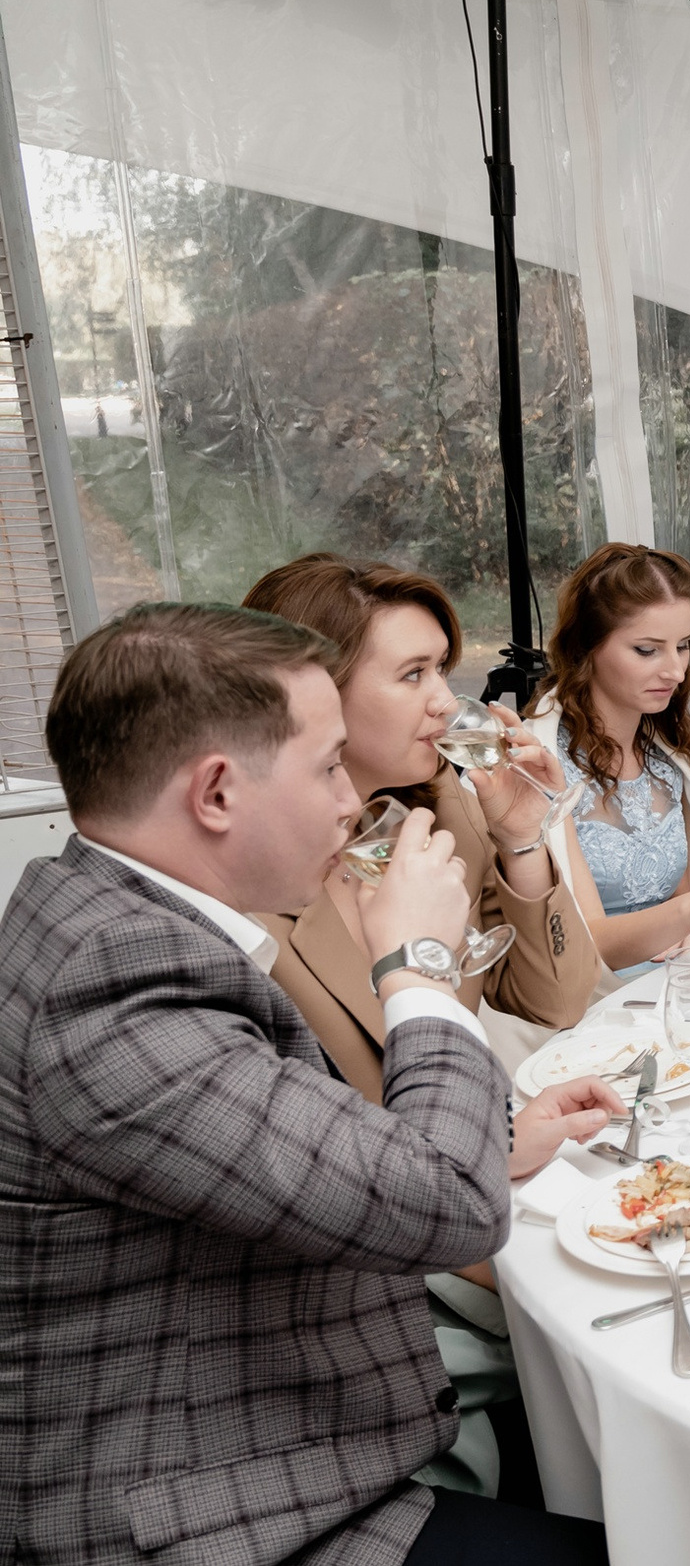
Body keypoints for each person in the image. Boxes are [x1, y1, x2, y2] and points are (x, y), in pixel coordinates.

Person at [0, 602, 608, 1565]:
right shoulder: (114, 981)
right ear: (215, 793)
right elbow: (443, 1207)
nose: (344, 801)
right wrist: (416, 964)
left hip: (293, 1408)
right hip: (221, 1509)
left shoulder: (107, 916)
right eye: (326, 767)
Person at [242, 555, 603, 1079]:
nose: (444, 701)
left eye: (441, 669)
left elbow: (559, 1001)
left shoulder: (446, 808)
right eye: (413, 674)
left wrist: (521, 840)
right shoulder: (245, 888)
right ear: (316, 691)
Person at [529, 543, 690, 975]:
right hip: (583, 1005)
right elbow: (589, 940)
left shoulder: (665, 759)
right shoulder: (540, 765)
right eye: (647, 650)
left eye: (683, 645)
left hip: (673, 988)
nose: (676, 671)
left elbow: (683, 895)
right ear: (586, 647)